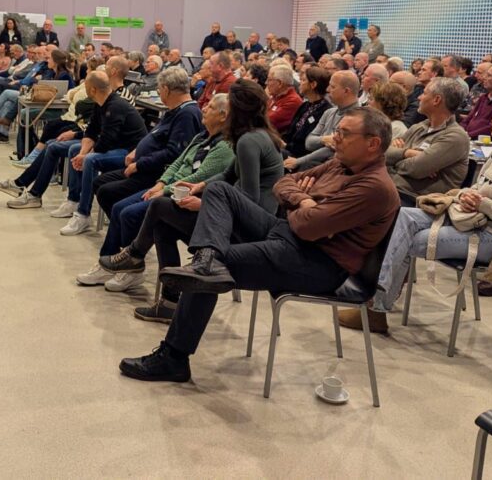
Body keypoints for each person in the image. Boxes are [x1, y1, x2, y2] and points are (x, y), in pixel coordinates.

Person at [119, 109, 398, 381]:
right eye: (337, 130)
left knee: (213, 269)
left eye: (344, 133)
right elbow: (283, 183)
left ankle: (173, 358)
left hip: (318, 262)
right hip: (288, 234)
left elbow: (308, 226)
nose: (335, 138)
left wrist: (302, 205)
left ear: (372, 144)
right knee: (218, 190)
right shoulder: (341, 163)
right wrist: (304, 199)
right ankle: (207, 258)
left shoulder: (373, 187)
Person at [340, 98, 492, 334]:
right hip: (471, 220)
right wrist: (466, 196)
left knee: (412, 240)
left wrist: (486, 205)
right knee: (402, 216)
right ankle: (375, 301)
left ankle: (375, 306)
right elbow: (479, 188)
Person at [103, 80, 285, 322]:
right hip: (242, 219)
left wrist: (205, 203)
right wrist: (200, 186)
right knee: (162, 224)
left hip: (250, 230)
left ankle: (135, 254)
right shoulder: (254, 135)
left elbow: (249, 198)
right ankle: (168, 301)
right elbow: (228, 175)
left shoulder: (248, 142)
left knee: (160, 206)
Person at [77, 68, 203, 290]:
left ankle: (126, 259)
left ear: (166, 89)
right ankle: (128, 247)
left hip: (156, 175)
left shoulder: (187, 114)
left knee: (121, 209)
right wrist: (137, 152)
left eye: (159, 89)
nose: (158, 92)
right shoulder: (174, 111)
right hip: (145, 167)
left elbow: (174, 153)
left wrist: (140, 163)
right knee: (103, 188)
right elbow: (156, 138)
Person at [0, 71, 146, 227]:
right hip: (112, 145)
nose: (83, 88)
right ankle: (70, 200)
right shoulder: (101, 104)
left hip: (129, 152)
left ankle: (84, 214)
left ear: (92, 89)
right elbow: (91, 132)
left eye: (85, 85)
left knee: (90, 160)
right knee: (73, 150)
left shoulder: (115, 106)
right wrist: (82, 153)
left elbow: (106, 141)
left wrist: (85, 156)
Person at [384, 77, 471, 204]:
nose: (419, 98)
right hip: (391, 187)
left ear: (436, 100)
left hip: (415, 200)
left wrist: (395, 159)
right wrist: (407, 153)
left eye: (424, 93)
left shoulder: (455, 137)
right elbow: (382, 154)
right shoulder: (419, 127)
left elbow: (416, 169)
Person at [285, 71, 361, 171]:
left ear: (346, 91)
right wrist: (324, 139)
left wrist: (299, 161)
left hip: (335, 168)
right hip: (314, 161)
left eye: (332, 87)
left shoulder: (358, 118)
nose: (327, 90)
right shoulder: (329, 112)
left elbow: (330, 151)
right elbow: (309, 143)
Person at [284, 65, 333, 158]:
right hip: (288, 149)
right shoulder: (305, 105)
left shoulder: (325, 111)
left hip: (302, 156)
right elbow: (290, 132)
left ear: (313, 84)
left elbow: (307, 145)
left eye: (303, 80)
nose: (300, 83)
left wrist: (285, 146)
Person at [265, 64, 303, 136]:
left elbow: (268, 121)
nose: (266, 83)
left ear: (280, 83)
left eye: (269, 80)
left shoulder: (293, 101)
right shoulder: (275, 96)